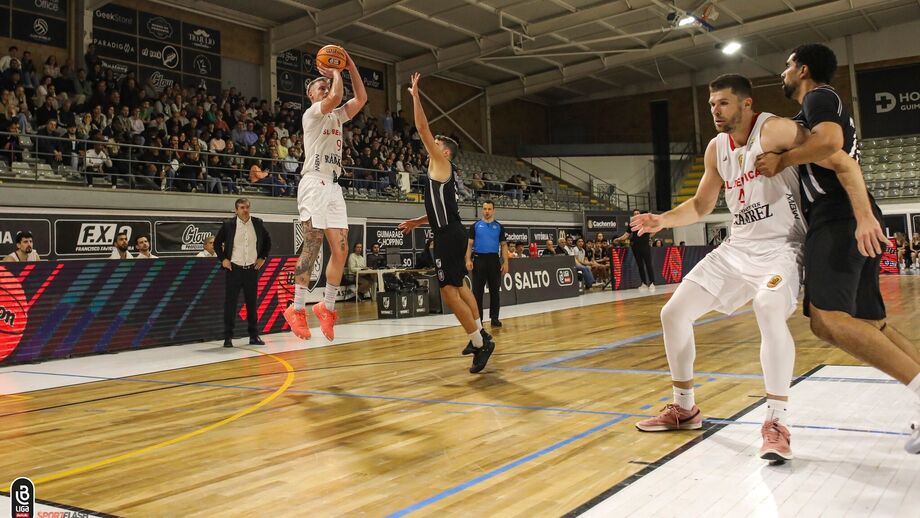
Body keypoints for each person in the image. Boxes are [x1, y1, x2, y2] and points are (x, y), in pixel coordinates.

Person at [632, 74, 809, 463]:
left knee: (766, 307)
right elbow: (700, 206)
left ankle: (776, 422)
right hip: (736, 248)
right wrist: (662, 219)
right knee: (673, 312)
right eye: (712, 104)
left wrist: (788, 159)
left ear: (746, 104)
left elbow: (828, 147)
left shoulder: (776, 129)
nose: (715, 110)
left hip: (782, 248)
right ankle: (684, 408)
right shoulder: (716, 148)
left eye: (724, 103)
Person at [755, 43, 920, 454]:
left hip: (839, 215)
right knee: (872, 324)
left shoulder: (819, 96)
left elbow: (832, 144)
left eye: (788, 64)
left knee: (826, 320)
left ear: (804, 68)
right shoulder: (808, 111)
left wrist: (783, 160)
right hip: (849, 213)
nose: (783, 71)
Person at [399, 72, 495, 374]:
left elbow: (421, 127)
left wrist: (416, 96)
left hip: (447, 235)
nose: (432, 143)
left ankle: (480, 344)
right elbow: (440, 208)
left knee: (448, 292)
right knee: (459, 286)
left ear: (445, 151)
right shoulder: (439, 172)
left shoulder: (441, 163)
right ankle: (480, 333)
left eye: (437, 143)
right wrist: (418, 220)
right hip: (449, 230)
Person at [284, 47, 367, 342]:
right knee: (313, 244)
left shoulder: (336, 117)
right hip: (313, 182)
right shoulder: (313, 114)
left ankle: (326, 306)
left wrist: (349, 63)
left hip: (333, 185)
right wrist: (335, 71)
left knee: (341, 250)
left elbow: (361, 99)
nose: (326, 89)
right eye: (321, 86)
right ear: (312, 95)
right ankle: (296, 308)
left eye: (326, 84)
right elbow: (335, 96)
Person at [214, 198, 272, 348]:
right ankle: (228, 337)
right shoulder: (228, 225)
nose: (245, 210)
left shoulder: (257, 223)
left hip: (251, 271)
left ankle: (254, 336)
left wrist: (262, 257)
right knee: (230, 305)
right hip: (234, 269)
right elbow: (216, 243)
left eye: (247, 207)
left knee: (252, 304)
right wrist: (223, 259)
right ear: (236, 210)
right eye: (241, 207)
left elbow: (267, 241)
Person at [465, 200, 510, 328]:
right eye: (485, 209)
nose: (487, 211)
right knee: (477, 293)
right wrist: (468, 260)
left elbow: (504, 245)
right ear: (482, 210)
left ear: (493, 210)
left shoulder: (499, 227)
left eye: (489, 209)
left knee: (495, 292)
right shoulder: (475, 226)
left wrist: (505, 262)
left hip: (494, 260)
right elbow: (469, 244)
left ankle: (494, 318)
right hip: (479, 260)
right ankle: (479, 320)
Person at [615, 209, 655, 291]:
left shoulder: (645, 223)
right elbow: (626, 235)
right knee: (640, 265)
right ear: (633, 215)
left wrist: (648, 236)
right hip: (636, 247)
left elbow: (654, 230)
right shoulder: (631, 224)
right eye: (635, 213)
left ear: (640, 215)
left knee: (648, 264)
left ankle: (652, 283)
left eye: (638, 213)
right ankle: (643, 283)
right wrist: (618, 239)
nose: (636, 214)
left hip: (645, 246)